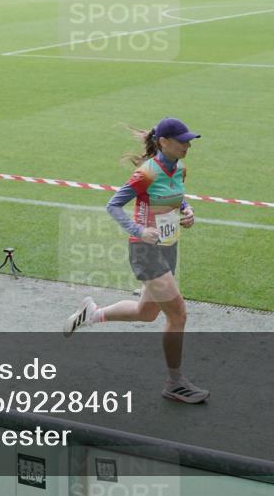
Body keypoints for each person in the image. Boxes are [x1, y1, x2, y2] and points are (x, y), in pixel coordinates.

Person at [63, 118, 208, 404]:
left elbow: (176, 198)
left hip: (168, 247)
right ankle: (175, 382)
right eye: (182, 141)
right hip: (145, 251)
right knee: (178, 314)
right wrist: (139, 231)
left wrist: (188, 210)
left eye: (189, 141)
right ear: (163, 142)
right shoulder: (146, 173)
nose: (188, 145)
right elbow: (113, 205)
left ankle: (92, 314)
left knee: (147, 312)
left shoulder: (179, 168)